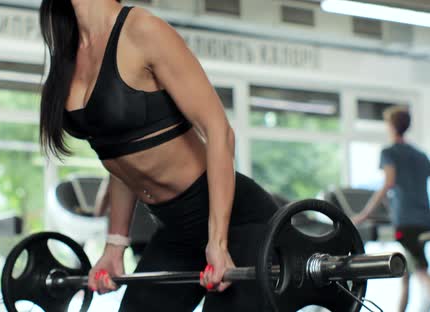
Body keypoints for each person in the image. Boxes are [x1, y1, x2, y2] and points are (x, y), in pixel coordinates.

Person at [38, 1, 278, 310]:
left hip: (237, 224)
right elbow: (121, 160)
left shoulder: (142, 31)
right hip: (175, 229)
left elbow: (219, 130)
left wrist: (217, 242)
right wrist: (115, 245)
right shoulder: (68, 48)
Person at [352, 106, 430, 312]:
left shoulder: (389, 153)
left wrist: (363, 215)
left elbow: (388, 184)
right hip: (424, 218)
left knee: (421, 271)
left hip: (406, 220)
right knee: (408, 269)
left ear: (392, 126)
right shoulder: (422, 156)